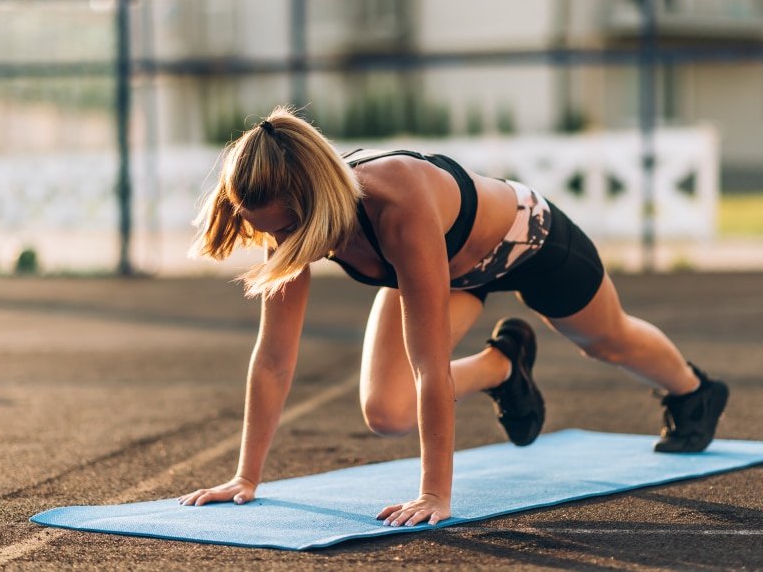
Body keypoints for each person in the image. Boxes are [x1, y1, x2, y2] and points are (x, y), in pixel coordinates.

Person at [176, 106, 729, 527]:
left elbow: (430, 365)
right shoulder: (292, 223)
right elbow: (273, 359)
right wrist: (245, 477)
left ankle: (693, 391)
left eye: (285, 229)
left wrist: (435, 492)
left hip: (528, 243)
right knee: (387, 411)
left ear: (317, 202)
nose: (277, 243)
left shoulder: (399, 206)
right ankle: (504, 366)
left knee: (609, 341)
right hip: (452, 272)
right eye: (267, 230)